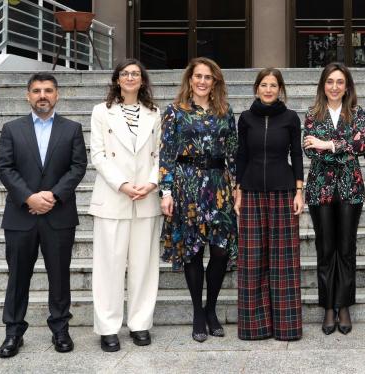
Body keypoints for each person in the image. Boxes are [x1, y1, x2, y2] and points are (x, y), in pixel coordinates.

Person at [0, 73, 87, 358]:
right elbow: (5, 167)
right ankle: (13, 333)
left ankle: (60, 329)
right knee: (17, 277)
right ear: (28, 96)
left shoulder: (72, 128)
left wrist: (53, 196)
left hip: (58, 215)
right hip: (20, 216)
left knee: (59, 276)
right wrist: (29, 197)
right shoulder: (12, 128)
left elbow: (77, 167)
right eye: (36, 91)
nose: (42, 95)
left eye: (48, 90)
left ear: (57, 94)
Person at [159, 57, 237, 343]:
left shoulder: (226, 112)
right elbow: (166, 154)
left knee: (219, 252)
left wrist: (237, 187)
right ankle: (197, 313)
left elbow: (233, 153)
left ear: (215, 82)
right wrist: (165, 192)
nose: (202, 81)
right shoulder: (174, 112)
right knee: (192, 251)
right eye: (198, 76)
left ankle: (211, 308)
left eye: (208, 77)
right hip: (186, 187)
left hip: (218, 188)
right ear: (189, 80)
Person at [88, 59, 162, 352]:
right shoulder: (101, 112)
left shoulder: (154, 113)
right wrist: (123, 184)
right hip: (113, 196)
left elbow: (161, 154)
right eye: (125, 74)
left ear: (142, 80)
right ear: (117, 80)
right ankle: (108, 327)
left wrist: (151, 183)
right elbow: (99, 155)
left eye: (135, 74)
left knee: (144, 265)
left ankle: (140, 323)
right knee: (109, 266)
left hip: (146, 197)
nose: (130, 78)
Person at [234, 68, 304, 341]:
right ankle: (255, 327)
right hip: (251, 192)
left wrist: (299, 190)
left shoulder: (290, 118)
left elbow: (296, 154)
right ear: (256, 88)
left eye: (273, 85)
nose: (268, 89)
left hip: (283, 191)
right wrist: (237, 190)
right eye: (264, 84)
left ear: (280, 89)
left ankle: (286, 327)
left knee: (283, 261)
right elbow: (241, 154)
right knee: (252, 261)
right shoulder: (246, 118)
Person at [303, 62, 365, 335]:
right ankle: (328, 307)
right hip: (320, 190)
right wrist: (342, 147)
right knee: (325, 249)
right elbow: (310, 151)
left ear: (347, 87)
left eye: (339, 82)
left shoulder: (356, 113)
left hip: (350, 189)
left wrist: (327, 144)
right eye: (330, 81)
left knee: (346, 249)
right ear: (323, 85)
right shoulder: (311, 114)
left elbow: (364, 143)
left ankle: (343, 306)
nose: (334, 86)